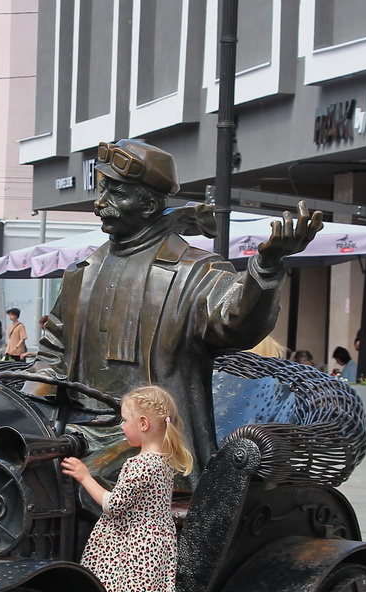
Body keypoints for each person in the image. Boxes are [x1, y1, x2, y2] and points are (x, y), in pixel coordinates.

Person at [36, 138, 322, 479]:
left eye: (116, 193)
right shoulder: (81, 273)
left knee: (70, 483)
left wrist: (267, 266)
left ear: (148, 205)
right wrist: (30, 408)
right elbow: (53, 350)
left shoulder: (195, 271)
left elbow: (236, 325)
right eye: (103, 190)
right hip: (76, 430)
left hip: (157, 444)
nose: (100, 203)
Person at [62, 385, 193, 592]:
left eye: (124, 420)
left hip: (138, 548)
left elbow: (113, 505)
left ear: (144, 423)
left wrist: (84, 476)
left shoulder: (140, 464)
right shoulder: (162, 461)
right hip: (157, 544)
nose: (121, 426)